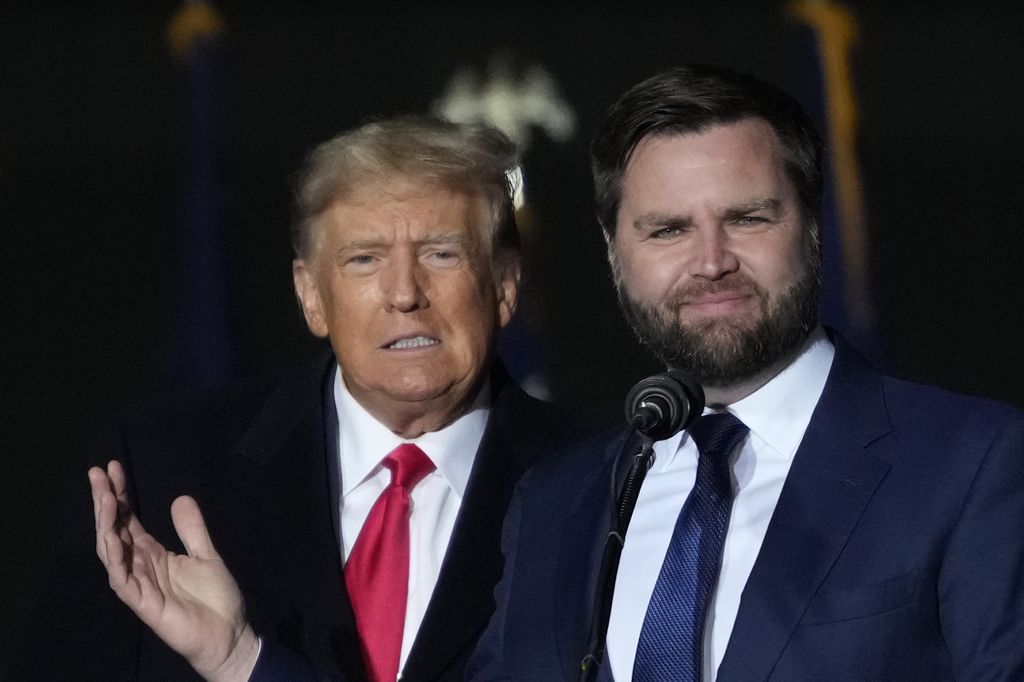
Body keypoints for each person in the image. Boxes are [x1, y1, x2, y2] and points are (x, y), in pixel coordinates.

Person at [468, 64, 1024, 681]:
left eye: (747, 218)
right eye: (669, 230)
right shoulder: (554, 501)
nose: (711, 262)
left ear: (813, 225)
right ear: (613, 249)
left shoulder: (975, 462)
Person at [6, 117, 569, 681]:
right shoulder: (159, 469)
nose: (405, 294)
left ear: (505, 287)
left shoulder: (597, 488)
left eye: (442, 254)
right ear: (310, 296)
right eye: (364, 259)